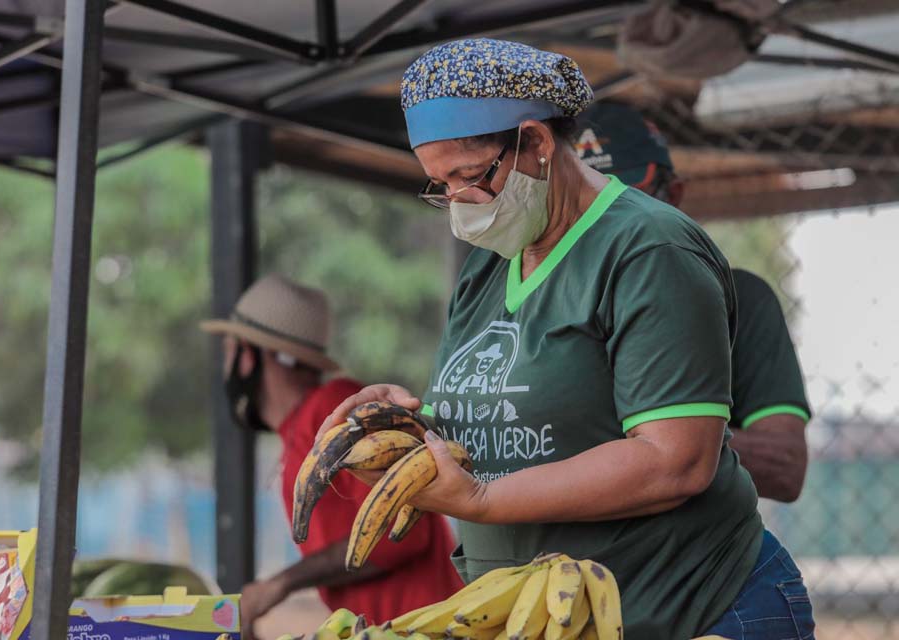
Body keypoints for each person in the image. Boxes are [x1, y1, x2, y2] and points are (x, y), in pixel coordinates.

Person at [320, 39, 815, 639]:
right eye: (439, 186)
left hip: (696, 612)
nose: (458, 204)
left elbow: (674, 461)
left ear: (535, 142)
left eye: (469, 177)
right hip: (556, 619)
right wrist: (410, 432)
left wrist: (478, 500)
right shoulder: (491, 260)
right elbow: (513, 423)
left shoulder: (648, 250)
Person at [200, 274, 462, 635]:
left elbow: (403, 536)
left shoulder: (335, 409)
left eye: (230, 350)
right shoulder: (300, 431)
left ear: (248, 356)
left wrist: (280, 584)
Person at [575, 100, 811, 502]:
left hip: (691, 552)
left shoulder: (737, 297)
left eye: (628, 203)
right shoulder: (530, 301)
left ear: (675, 195)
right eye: (586, 206)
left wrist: (670, 435)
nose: (607, 225)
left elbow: (785, 468)